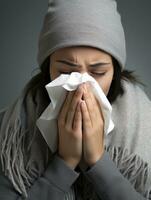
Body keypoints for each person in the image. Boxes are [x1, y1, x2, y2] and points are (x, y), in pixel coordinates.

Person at [0, 0, 151, 199]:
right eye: (66, 71)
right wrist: (65, 161)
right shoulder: (11, 131)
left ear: (115, 72)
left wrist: (98, 161)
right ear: (48, 67)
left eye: (98, 72)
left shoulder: (145, 121)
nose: (82, 86)